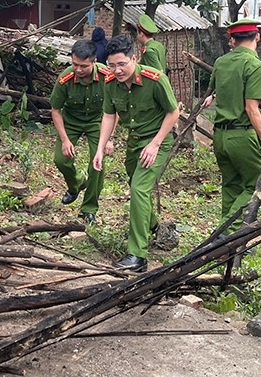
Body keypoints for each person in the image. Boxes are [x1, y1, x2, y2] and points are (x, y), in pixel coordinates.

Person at [93, 35, 179, 272]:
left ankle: (137, 256)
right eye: (112, 65)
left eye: (122, 64)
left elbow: (173, 113)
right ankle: (153, 225)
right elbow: (109, 115)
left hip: (157, 141)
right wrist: (100, 148)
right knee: (136, 183)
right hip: (134, 142)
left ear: (135, 57)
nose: (117, 70)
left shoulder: (155, 79)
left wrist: (155, 144)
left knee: (139, 189)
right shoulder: (110, 82)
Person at [201, 19, 261, 227]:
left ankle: (226, 239)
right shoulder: (255, 66)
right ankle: (226, 235)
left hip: (220, 136)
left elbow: (215, 91)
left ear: (232, 40)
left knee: (231, 186)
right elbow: (251, 108)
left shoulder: (221, 62)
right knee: (258, 183)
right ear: (258, 37)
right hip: (241, 136)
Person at [50, 39, 112, 224]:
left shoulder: (106, 76)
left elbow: (113, 109)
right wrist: (65, 140)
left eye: (83, 66)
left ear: (94, 62)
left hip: (96, 122)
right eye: (75, 64)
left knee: (97, 165)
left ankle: (88, 209)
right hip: (71, 121)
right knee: (61, 160)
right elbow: (55, 110)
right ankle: (76, 183)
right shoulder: (65, 78)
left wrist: (109, 138)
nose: (77, 69)